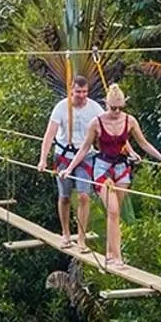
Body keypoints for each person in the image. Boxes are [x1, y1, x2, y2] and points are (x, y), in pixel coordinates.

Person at [62, 82, 161, 268]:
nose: (116, 111)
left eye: (120, 108)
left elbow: (143, 144)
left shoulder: (130, 121)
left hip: (121, 169)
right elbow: (85, 149)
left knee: (116, 214)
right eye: (113, 108)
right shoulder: (96, 123)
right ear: (106, 104)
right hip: (103, 168)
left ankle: (109, 252)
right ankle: (117, 258)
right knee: (112, 211)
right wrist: (69, 168)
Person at [37, 75, 103, 248]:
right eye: (78, 92)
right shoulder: (61, 108)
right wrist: (43, 159)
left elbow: (109, 127)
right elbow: (49, 135)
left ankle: (81, 238)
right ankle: (66, 233)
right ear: (71, 90)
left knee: (83, 196)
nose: (82, 95)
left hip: (86, 156)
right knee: (65, 196)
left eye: (85, 92)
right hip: (64, 155)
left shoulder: (95, 108)